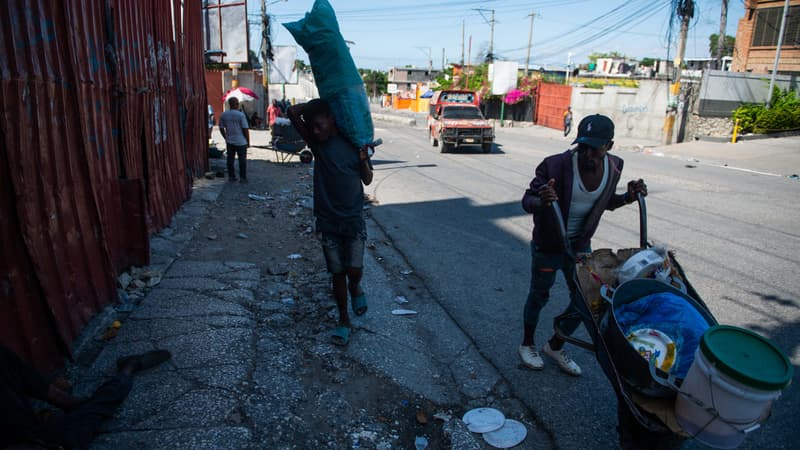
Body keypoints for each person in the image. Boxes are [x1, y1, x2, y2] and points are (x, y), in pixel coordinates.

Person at [518, 114, 647, 376]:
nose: (588, 153)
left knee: (586, 300)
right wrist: (542, 201)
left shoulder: (614, 167)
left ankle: (555, 344)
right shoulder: (554, 166)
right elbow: (527, 200)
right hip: (548, 245)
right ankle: (527, 344)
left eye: (595, 148)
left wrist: (627, 198)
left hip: (580, 246)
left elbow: (605, 201)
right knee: (539, 295)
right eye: (583, 146)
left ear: (608, 146)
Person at [288, 99, 373, 347]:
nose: (314, 131)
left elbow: (367, 180)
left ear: (332, 120)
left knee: (354, 270)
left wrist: (363, 159)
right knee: (337, 273)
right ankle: (344, 320)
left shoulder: (353, 143)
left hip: (353, 220)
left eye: (319, 125)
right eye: (312, 127)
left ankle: (356, 288)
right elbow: (293, 112)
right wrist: (318, 105)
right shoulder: (317, 144)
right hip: (327, 221)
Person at [1, 345, 171, 449]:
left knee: (91, 412)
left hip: (32, 435)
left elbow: (43, 389)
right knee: (93, 412)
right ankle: (128, 368)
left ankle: (125, 372)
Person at [219, 97, 250, 183]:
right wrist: (248, 141)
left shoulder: (224, 114)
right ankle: (243, 178)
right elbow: (245, 129)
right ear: (236, 104)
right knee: (242, 160)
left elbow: (221, 127)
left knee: (230, 159)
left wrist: (225, 137)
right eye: (237, 103)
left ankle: (231, 176)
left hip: (230, 141)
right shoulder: (241, 115)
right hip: (241, 141)